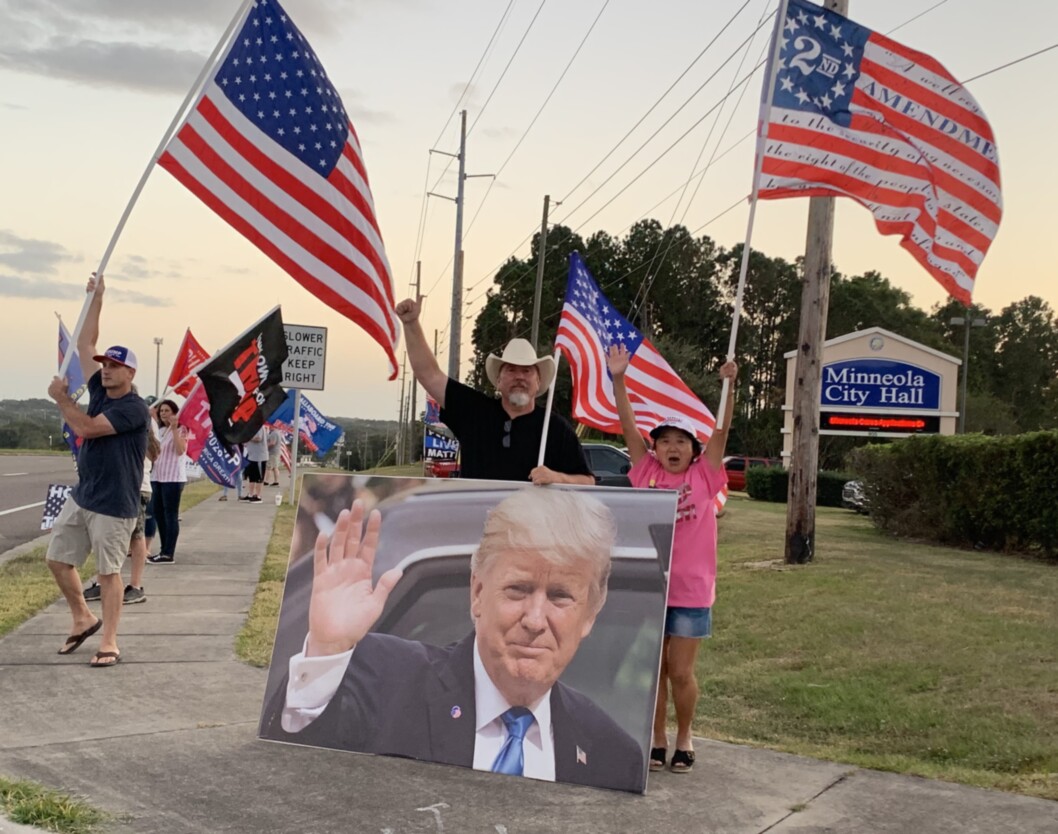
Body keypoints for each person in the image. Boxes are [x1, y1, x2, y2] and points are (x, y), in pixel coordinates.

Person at [264, 488, 645, 792]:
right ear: (477, 592)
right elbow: (288, 774)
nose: (534, 620)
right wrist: (328, 651)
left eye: (560, 596)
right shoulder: (382, 677)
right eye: (518, 589)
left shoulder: (613, 755)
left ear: (589, 615)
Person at [606, 344, 736, 774]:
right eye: (665, 441)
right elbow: (628, 426)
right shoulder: (646, 473)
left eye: (681, 441)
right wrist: (619, 379)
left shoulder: (704, 475)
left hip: (691, 591)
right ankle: (658, 738)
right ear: (656, 448)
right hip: (651, 587)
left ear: (693, 450)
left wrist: (730, 386)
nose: (672, 447)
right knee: (654, 670)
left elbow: (721, 431)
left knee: (680, 671)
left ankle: (685, 736)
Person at [45, 273, 149, 667]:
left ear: (130, 374)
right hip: (85, 494)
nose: (106, 369)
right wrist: (97, 298)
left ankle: (109, 641)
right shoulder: (101, 390)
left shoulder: (133, 408)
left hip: (114, 503)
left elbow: (87, 429)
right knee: (57, 559)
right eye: (105, 364)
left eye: (115, 366)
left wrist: (62, 401)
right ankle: (82, 618)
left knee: (108, 574)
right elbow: (86, 343)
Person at [394, 296, 592, 485]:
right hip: (477, 510)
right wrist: (411, 324)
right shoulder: (473, 411)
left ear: (539, 382)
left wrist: (557, 478)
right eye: (511, 370)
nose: (519, 377)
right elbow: (429, 375)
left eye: (527, 371)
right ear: (498, 380)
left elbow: (588, 481)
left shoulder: (556, 428)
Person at [84, 429, 160, 604]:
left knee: (136, 535)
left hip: (136, 488)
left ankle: (136, 586)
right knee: (105, 535)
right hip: (112, 487)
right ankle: (102, 582)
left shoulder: (142, 430)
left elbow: (152, 454)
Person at [145, 399, 188, 565]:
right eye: (161, 411)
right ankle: (163, 550)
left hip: (173, 478)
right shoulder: (160, 430)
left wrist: (175, 428)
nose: (164, 414)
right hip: (157, 477)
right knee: (159, 514)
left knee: (170, 515)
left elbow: (180, 450)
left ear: (174, 413)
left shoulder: (182, 430)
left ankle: (169, 552)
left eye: (167, 410)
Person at [243, 426, 269, 503]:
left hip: (259, 457)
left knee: (259, 477)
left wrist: (248, 438)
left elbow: (258, 438)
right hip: (252, 456)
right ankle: (250, 494)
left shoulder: (259, 427)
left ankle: (258, 496)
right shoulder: (251, 427)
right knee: (252, 477)